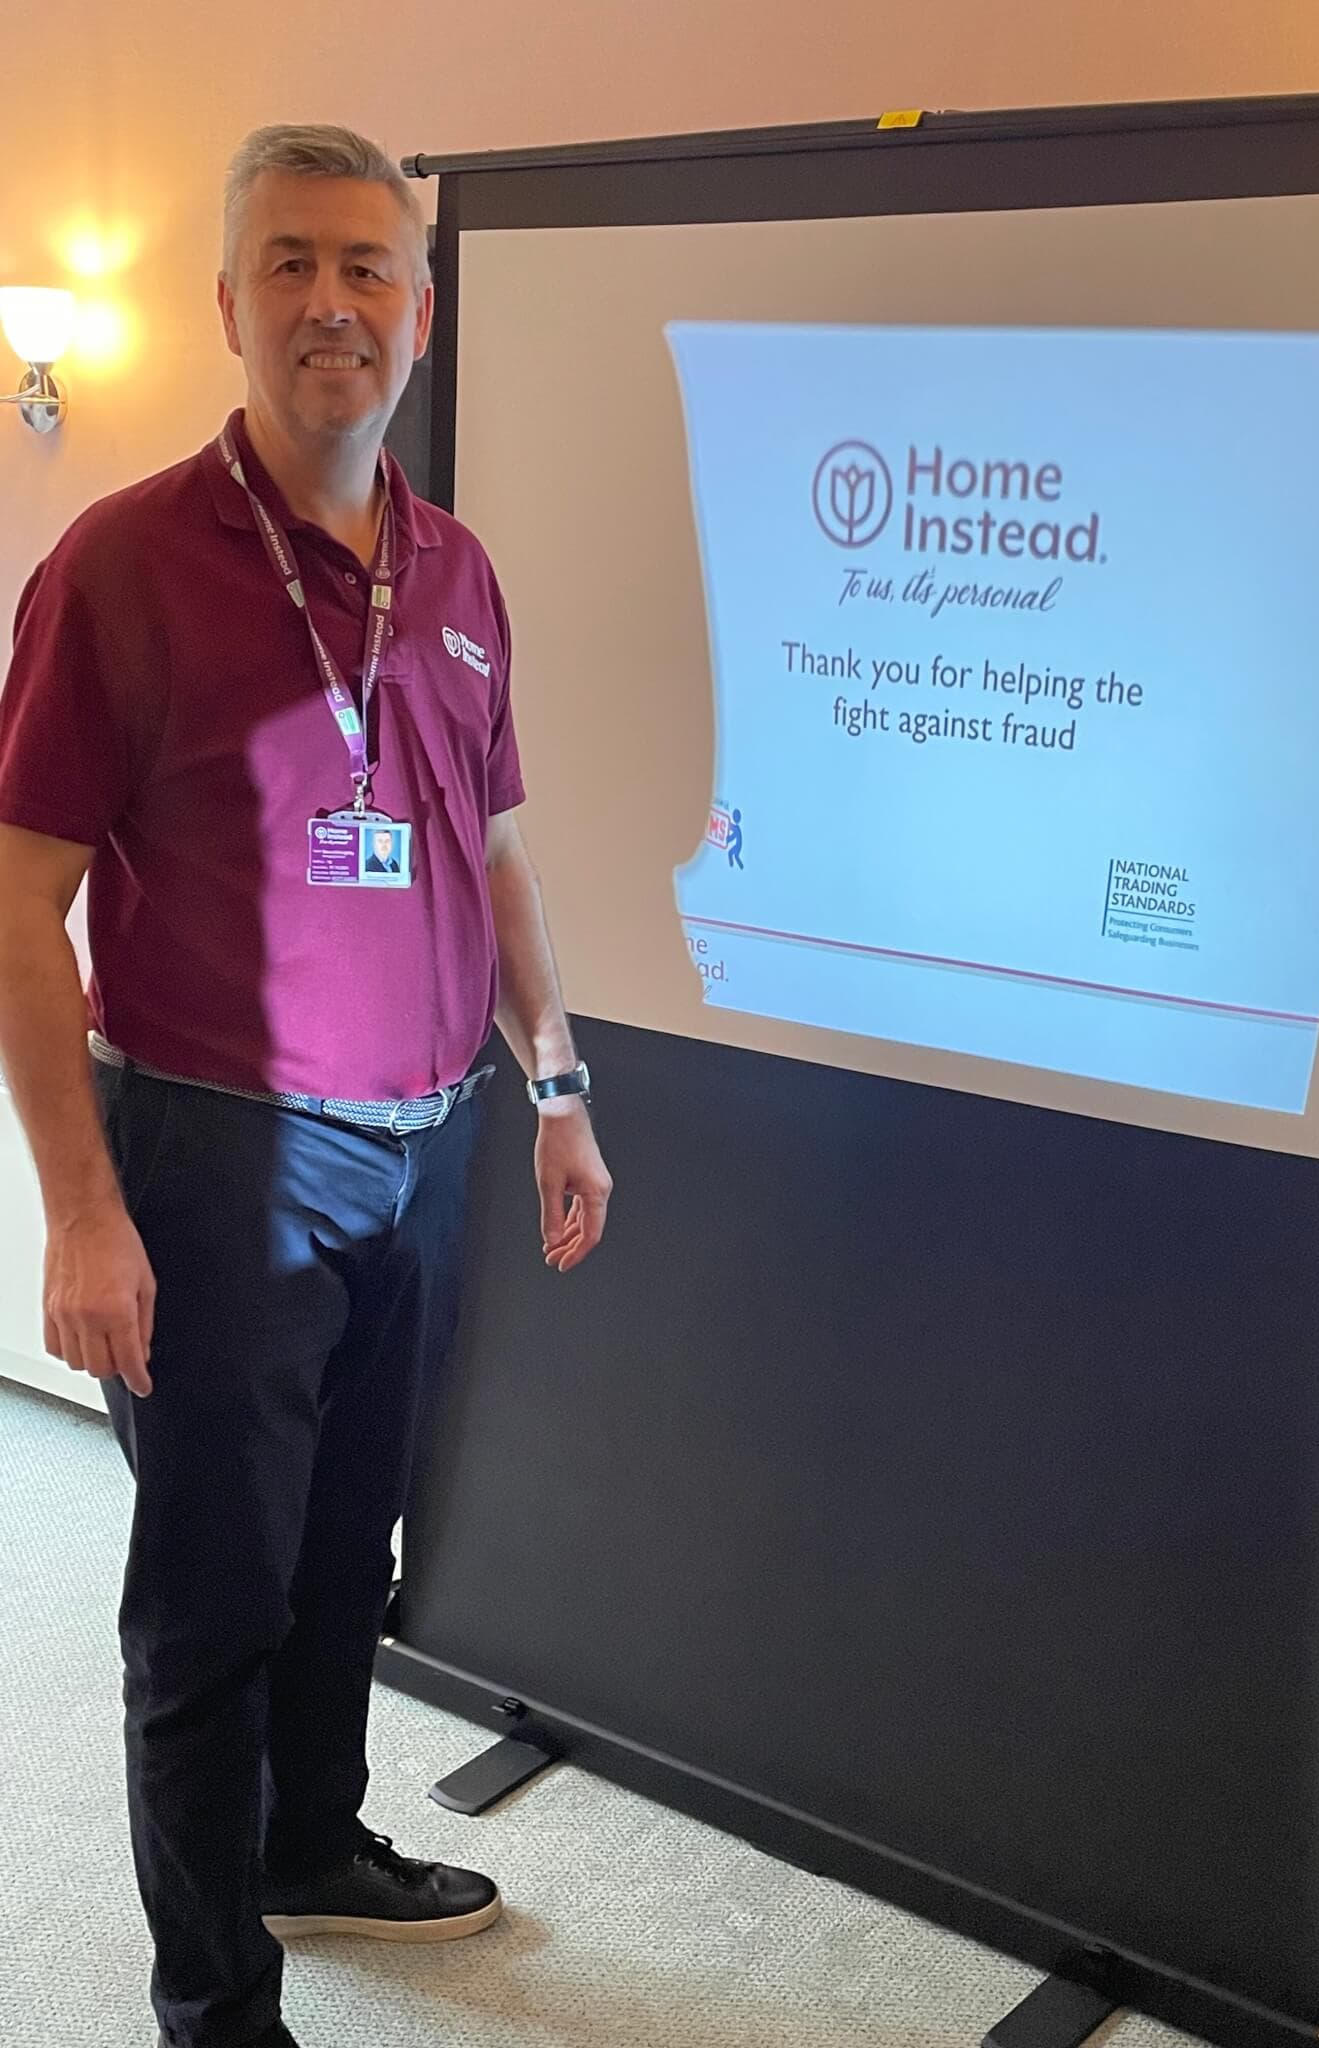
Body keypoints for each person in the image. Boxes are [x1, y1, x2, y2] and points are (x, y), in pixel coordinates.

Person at [0, 125, 612, 2048]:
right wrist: (81, 1205)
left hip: (426, 1147)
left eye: (367, 268)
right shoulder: (117, 565)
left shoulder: (455, 568)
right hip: (214, 1156)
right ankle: (216, 2003)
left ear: (419, 317)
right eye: (290, 265)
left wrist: (562, 1080)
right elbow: (22, 901)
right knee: (211, 1598)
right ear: (229, 305)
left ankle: (313, 1842)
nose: (332, 303)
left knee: (353, 1552)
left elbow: (489, 847)